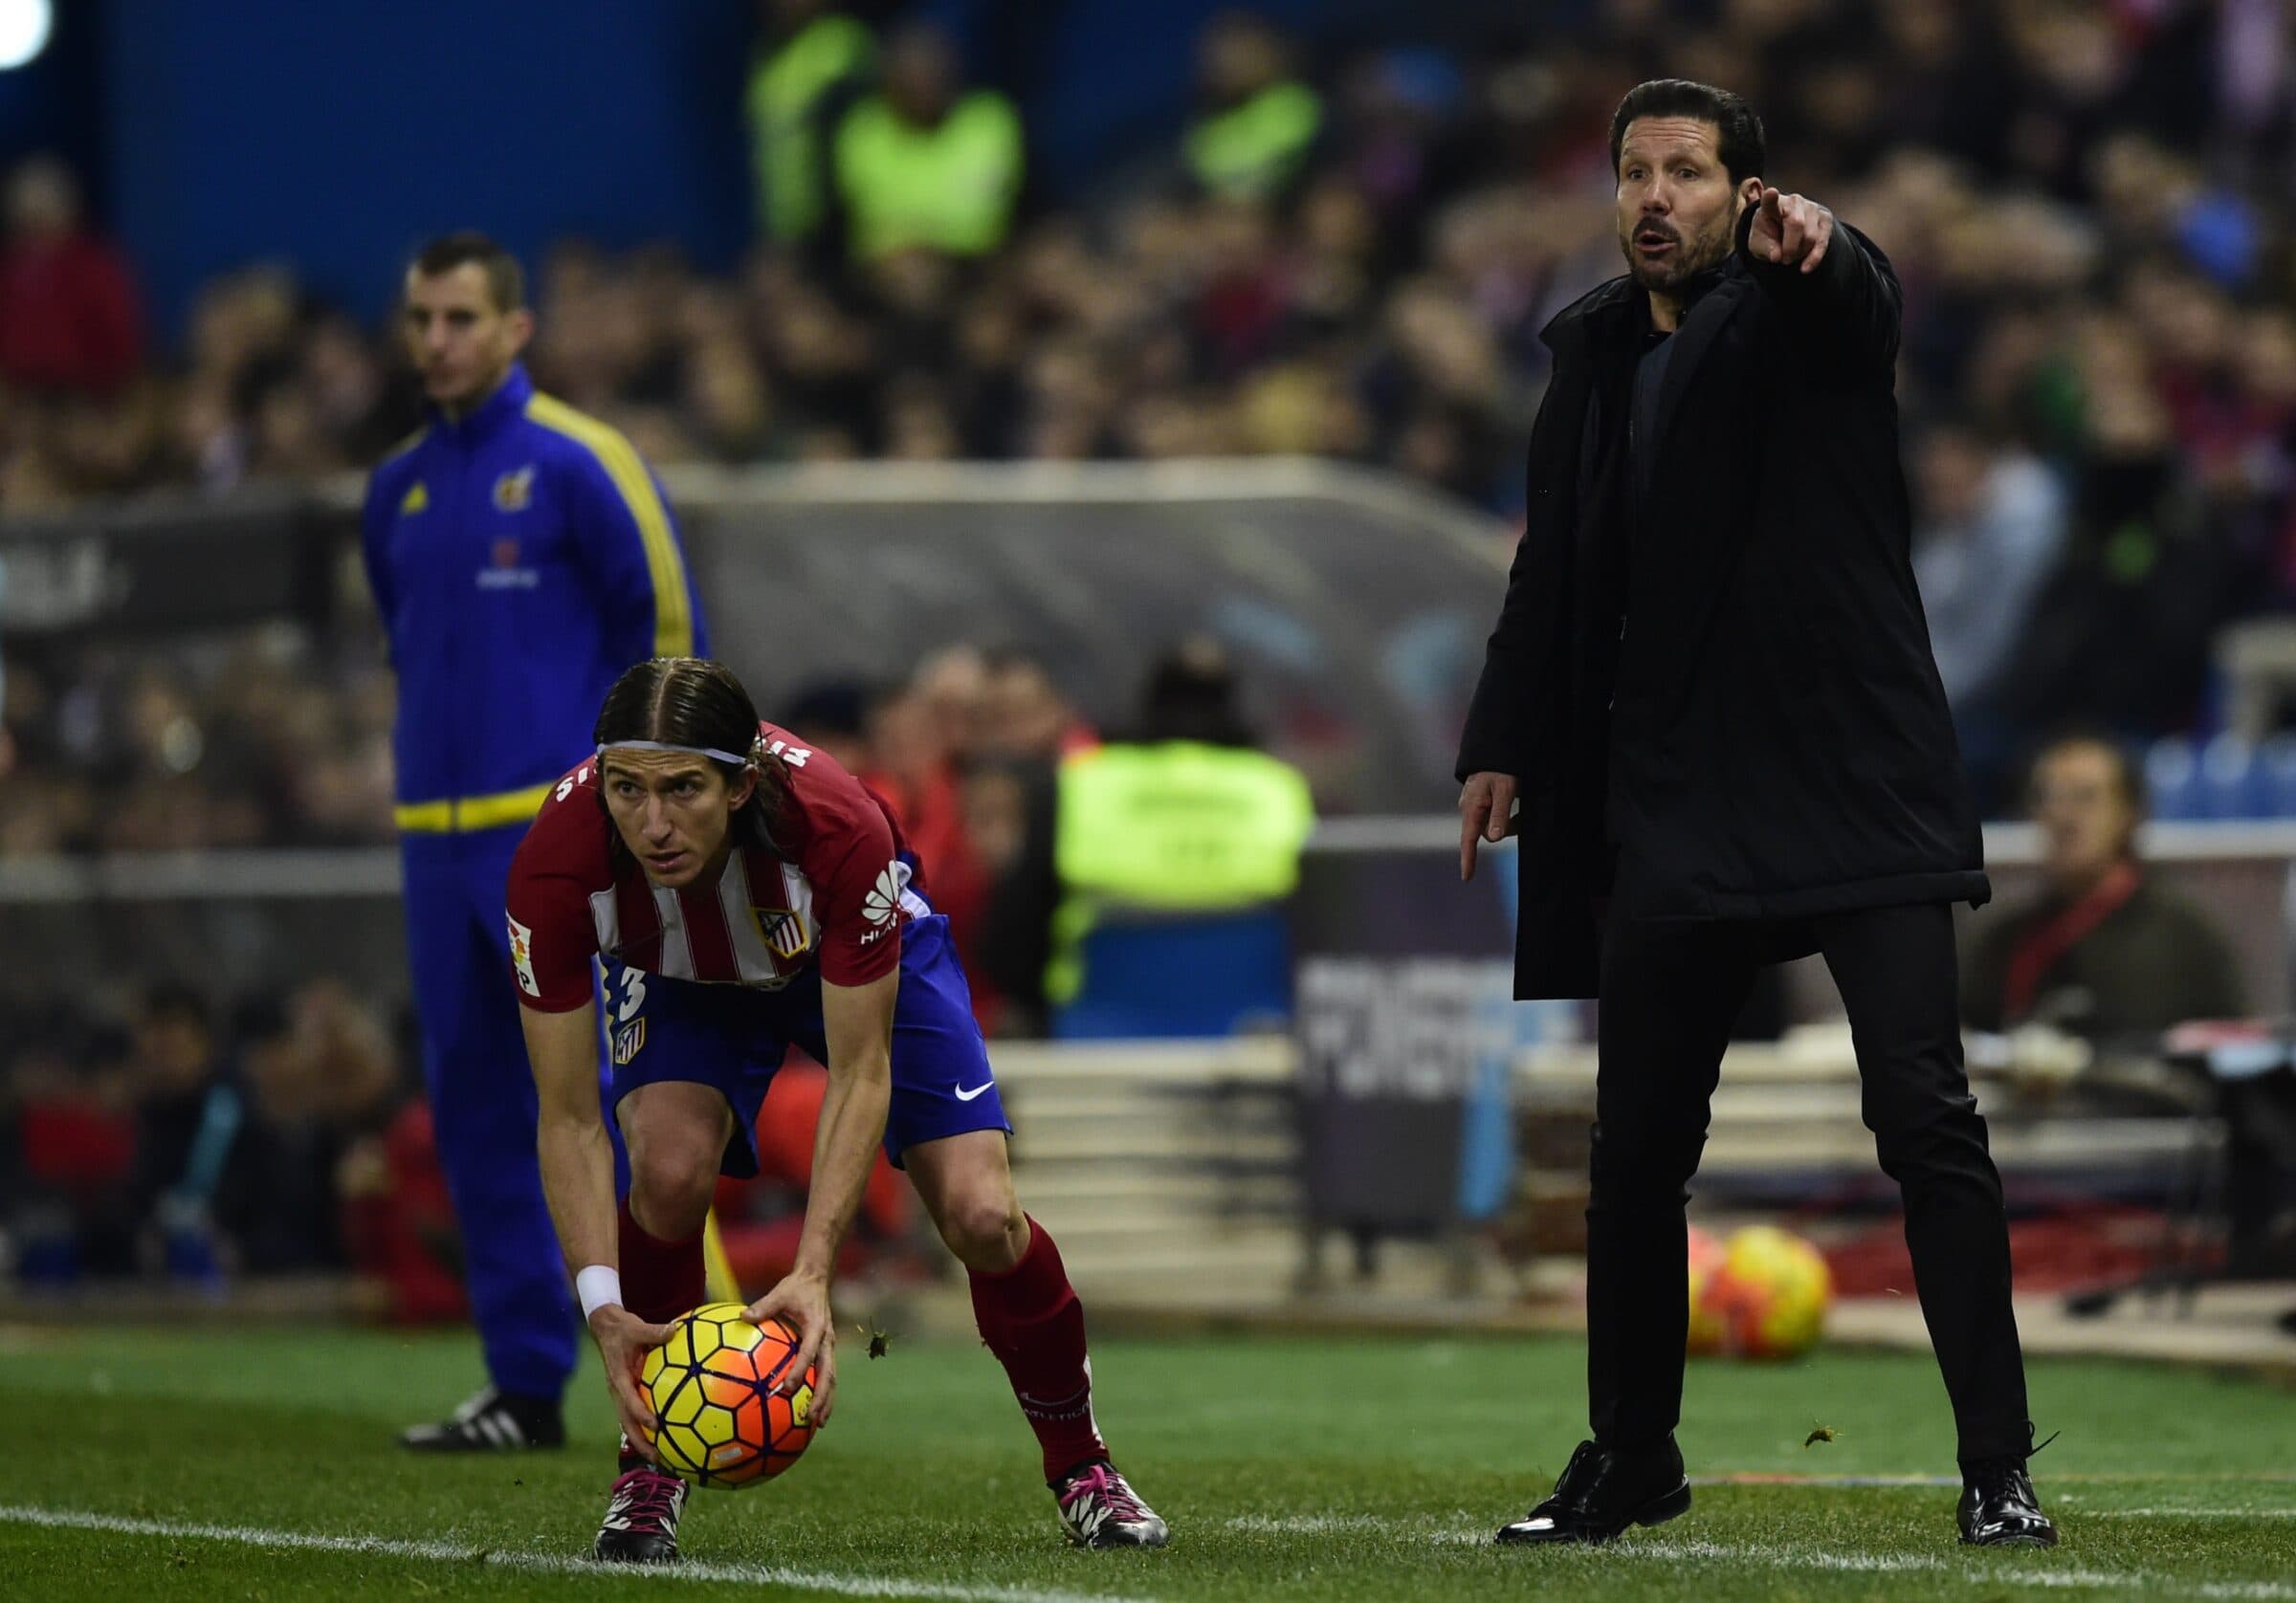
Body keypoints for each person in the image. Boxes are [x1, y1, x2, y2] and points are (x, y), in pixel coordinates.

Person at [1454, 80, 2053, 1549]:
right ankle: (1633, 1458)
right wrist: (1502, 741)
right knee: (1636, 1152)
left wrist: (1826, 244)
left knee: (1928, 1121)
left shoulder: (1804, 304)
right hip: (1679, 798)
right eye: (1635, 173)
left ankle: (1998, 1468)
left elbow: (1867, 305)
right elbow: (1552, 574)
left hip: (1852, 782)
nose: (1656, 197)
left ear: (1745, 193)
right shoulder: (1588, 353)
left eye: (1689, 173)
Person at [505, 656, 1167, 1562]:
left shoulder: (839, 827)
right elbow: (568, 1117)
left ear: (741, 785)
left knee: (980, 1215)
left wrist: (815, 1269)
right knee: (664, 1169)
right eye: (627, 790)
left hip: (844, 965)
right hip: (680, 978)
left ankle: (1083, 1468)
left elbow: (861, 1072)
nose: (652, 823)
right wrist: (600, 1305)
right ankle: (646, 1476)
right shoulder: (553, 866)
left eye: (684, 789)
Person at [362, 232, 710, 1452]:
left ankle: (692, 1363)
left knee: (624, 1099)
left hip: (565, 834)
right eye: (420, 318)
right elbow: (408, 655)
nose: (437, 340)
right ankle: (524, 1380)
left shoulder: (581, 463)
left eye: (460, 317)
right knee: (474, 1104)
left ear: (516, 330)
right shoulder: (393, 490)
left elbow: (666, 633)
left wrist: (647, 807)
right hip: (432, 842)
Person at [1963, 735, 2243, 1043]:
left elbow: (2229, 1049)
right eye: (2047, 796)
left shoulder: (2185, 938)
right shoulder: (2005, 941)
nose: (2063, 815)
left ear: (2128, 813)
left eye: (2085, 797)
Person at [829, 24, 1025, 262]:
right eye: (910, 79)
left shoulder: (989, 119)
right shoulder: (863, 129)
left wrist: (926, 232)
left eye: (931, 74)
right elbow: (875, 221)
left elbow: (987, 219)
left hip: (980, 261)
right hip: (889, 266)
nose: (923, 86)